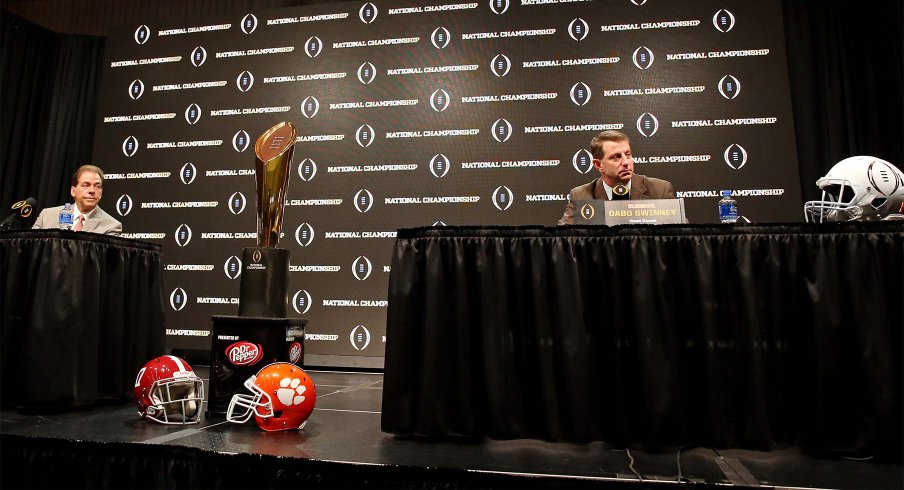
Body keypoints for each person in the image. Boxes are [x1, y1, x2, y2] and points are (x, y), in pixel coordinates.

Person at [558, 130, 676, 225]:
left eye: (628, 154)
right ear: (598, 165)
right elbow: (562, 240)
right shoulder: (581, 195)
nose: (626, 162)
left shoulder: (661, 190)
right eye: (616, 157)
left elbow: (681, 239)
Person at [32, 164, 122, 235]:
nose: (92, 190)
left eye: (97, 186)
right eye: (86, 185)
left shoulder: (111, 226)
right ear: (73, 191)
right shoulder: (47, 216)